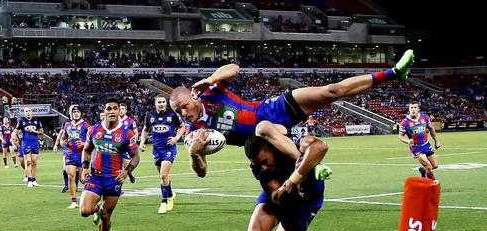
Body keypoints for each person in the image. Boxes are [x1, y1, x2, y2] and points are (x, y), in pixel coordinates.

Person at [170, 50, 415, 177]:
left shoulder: (210, 91)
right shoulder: (194, 133)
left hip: (272, 108)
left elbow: (234, 69)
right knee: (263, 128)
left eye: (183, 106)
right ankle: (307, 164)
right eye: (177, 112)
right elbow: (201, 173)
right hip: (265, 138)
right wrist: (194, 155)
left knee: (331, 91)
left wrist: (211, 78)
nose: (182, 113)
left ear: (193, 96)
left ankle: (394, 72)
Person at [80, 97, 140, 231]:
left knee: (106, 216)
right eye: (109, 109)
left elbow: (136, 156)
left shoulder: (126, 134)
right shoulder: (94, 130)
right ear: (104, 112)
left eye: (115, 108)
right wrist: (85, 167)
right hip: (95, 177)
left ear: (119, 112)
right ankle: (96, 210)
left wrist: (127, 171)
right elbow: (86, 150)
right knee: (85, 211)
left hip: (114, 179)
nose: (112, 111)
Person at [139, 94, 185, 214]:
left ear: (166, 103)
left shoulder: (172, 115)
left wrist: (177, 137)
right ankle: (169, 192)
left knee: (163, 176)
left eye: (163, 101)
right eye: (159, 102)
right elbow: (145, 129)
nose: (161, 104)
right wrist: (142, 142)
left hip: (169, 149)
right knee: (163, 176)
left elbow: (182, 127)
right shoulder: (150, 116)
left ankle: (165, 201)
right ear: (155, 104)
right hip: (156, 150)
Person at [55, 105, 90, 208]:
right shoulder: (67, 125)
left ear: (81, 114)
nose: (76, 113)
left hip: (82, 155)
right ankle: (74, 201)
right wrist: (62, 142)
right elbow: (62, 139)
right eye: (74, 112)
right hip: (70, 154)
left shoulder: (86, 126)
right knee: (71, 176)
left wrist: (84, 144)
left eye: (78, 112)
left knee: (84, 179)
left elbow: (93, 140)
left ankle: (91, 198)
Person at [399, 101, 441, 179]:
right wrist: (408, 141)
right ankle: (433, 184)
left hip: (426, 144)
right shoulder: (404, 122)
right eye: (411, 108)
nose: (413, 109)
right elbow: (401, 136)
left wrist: (436, 141)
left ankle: (422, 170)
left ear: (418, 109)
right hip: (416, 148)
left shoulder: (425, 117)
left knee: (435, 166)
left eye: (415, 107)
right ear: (409, 109)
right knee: (428, 166)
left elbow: (431, 129)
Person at [12, 107, 43, 187]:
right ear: (24, 112)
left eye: (29, 111)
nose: (28, 112)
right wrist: (13, 137)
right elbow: (15, 131)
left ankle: (34, 180)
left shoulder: (37, 120)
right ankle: (29, 180)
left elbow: (41, 132)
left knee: (34, 162)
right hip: (26, 142)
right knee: (27, 161)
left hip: (35, 143)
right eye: (26, 111)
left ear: (31, 112)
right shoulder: (21, 120)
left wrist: (34, 131)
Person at [119, 102, 138, 183]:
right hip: (116, 148)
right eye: (119, 109)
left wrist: (132, 143)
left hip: (126, 148)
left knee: (127, 169)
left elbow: (136, 133)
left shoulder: (130, 121)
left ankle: (130, 174)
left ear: (126, 111)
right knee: (117, 169)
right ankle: (118, 188)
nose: (121, 111)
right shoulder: (114, 120)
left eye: (122, 109)